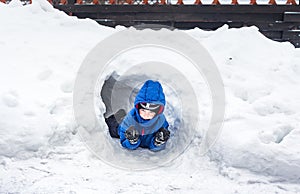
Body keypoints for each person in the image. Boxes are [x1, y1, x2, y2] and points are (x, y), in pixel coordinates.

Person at [105, 80, 170, 152]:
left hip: (145, 140)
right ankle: (118, 116)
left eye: (151, 112)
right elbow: (124, 142)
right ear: (138, 108)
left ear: (158, 112)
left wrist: (158, 142)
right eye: (143, 111)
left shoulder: (161, 123)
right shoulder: (130, 119)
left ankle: (122, 114)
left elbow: (157, 147)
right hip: (121, 126)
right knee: (113, 126)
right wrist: (131, 141)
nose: (146, 114)